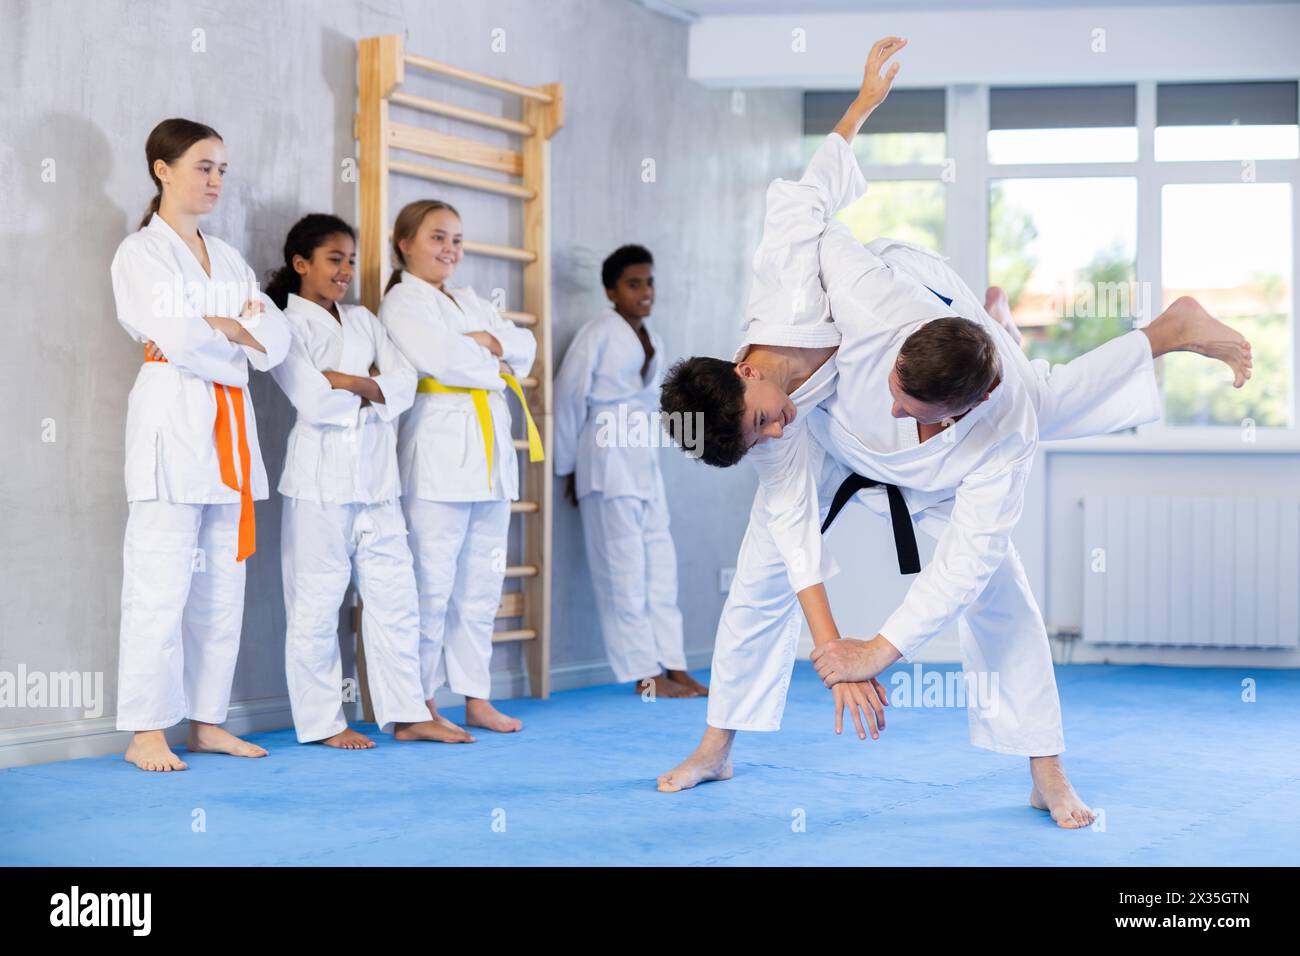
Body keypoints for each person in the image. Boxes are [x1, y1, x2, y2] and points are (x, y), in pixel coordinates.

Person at [656, 38, 1253, 828]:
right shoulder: (791, 386)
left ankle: (1047, 771)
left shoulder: (956, 382)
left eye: (764, 419)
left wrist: (880, 652)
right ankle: (717, 744)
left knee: (1007, 575)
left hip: (944, 374)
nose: (774, 429)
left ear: (744, 374)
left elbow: (964, 563)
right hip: (856, 427)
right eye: (761, 434)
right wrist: (837, 659)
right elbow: (806, 198)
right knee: (760, 571)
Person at [112, 118, 291, 771]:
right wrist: (230, 335)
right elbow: (183, 341)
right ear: (163, 168)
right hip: (172, 423)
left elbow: (276, 341)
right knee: (159, 584)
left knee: (222, 585)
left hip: (230, 434)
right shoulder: (142, 253)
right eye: (202, 166)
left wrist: (230, 330)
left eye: (221, 169)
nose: (215, 180)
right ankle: (145, 730)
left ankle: (206, 721)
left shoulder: (232, 259)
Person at [266, 213, 470, 747]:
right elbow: (313, 400)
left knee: (397, 599)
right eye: (335, 259)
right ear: (301, 263)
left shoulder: (363, 319)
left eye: (352, 260)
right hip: (319, 486)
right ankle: (324, 722)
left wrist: (348, 383)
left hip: (378, 484)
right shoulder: (284, 321)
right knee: (314, 604)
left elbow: (404, 383)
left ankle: (407, 713)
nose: (346, 270)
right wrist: (367, 385)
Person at [379, 200, 542, 737]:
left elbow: (527, 347)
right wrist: (493, 359)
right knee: (430, 584)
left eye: (456, 240)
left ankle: (476, 696)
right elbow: (446, 360)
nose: (450, 249)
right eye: (437, 238)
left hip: (492, 455)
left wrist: (495, 347)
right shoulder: (403, 301)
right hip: (439, 456)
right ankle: (418, 705)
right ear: (405, 243)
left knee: (481, 585)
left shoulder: (469, 298)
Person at [553, 245, 703, 698]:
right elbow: (566, 398)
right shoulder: (597, 333)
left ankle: (673, 663)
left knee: (660, 564)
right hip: (603, 458)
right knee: (622, 568)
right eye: (633, 284)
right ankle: (644, 673)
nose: (645, 292)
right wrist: (568, 470)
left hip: (641, 458)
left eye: (649, 282)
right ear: (611, 291)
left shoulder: (653, 337)